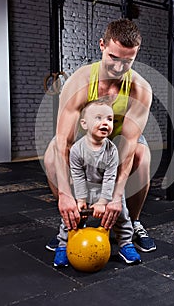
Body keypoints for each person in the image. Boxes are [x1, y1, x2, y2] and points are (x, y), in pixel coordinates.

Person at [44, 18, 156, 264]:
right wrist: (65, 194)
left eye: (128, 61)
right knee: (52, 151)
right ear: (102, 45)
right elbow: (64, 142)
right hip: (87, 138)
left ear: (136, 55)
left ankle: (133, 222)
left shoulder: (140, 89)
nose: (119, 67)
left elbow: (127, 146)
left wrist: (116, 195)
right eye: (114, 58)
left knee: (142, 155)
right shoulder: (80, 82)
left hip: (119, 142)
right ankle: (71, 220)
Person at [54, 98, 141, 267]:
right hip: (85, 188)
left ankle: (125, 244)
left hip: (106, 189)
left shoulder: (111, 150)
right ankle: (64, 245)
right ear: (84, 124)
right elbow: (77, 175)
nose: (105, 123)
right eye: (99, 118)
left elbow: (110, 177)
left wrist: (103, 201)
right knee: (71, 217)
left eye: (109, 119)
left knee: (122, 215)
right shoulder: (77, 149)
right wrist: (80, 200)